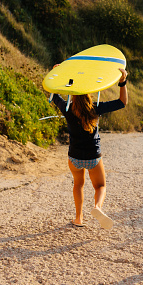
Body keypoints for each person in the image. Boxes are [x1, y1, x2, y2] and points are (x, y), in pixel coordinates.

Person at [51, 67, 128, 230]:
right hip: (93, 156)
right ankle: (98, 207)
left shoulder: (67, 109)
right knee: (100, 186)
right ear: (89, 92)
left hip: (74, 157)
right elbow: (122, 102)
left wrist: (56, 75)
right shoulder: (96, 108)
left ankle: (78, 218)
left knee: (78, 184)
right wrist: (122, 81)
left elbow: (53, 96)